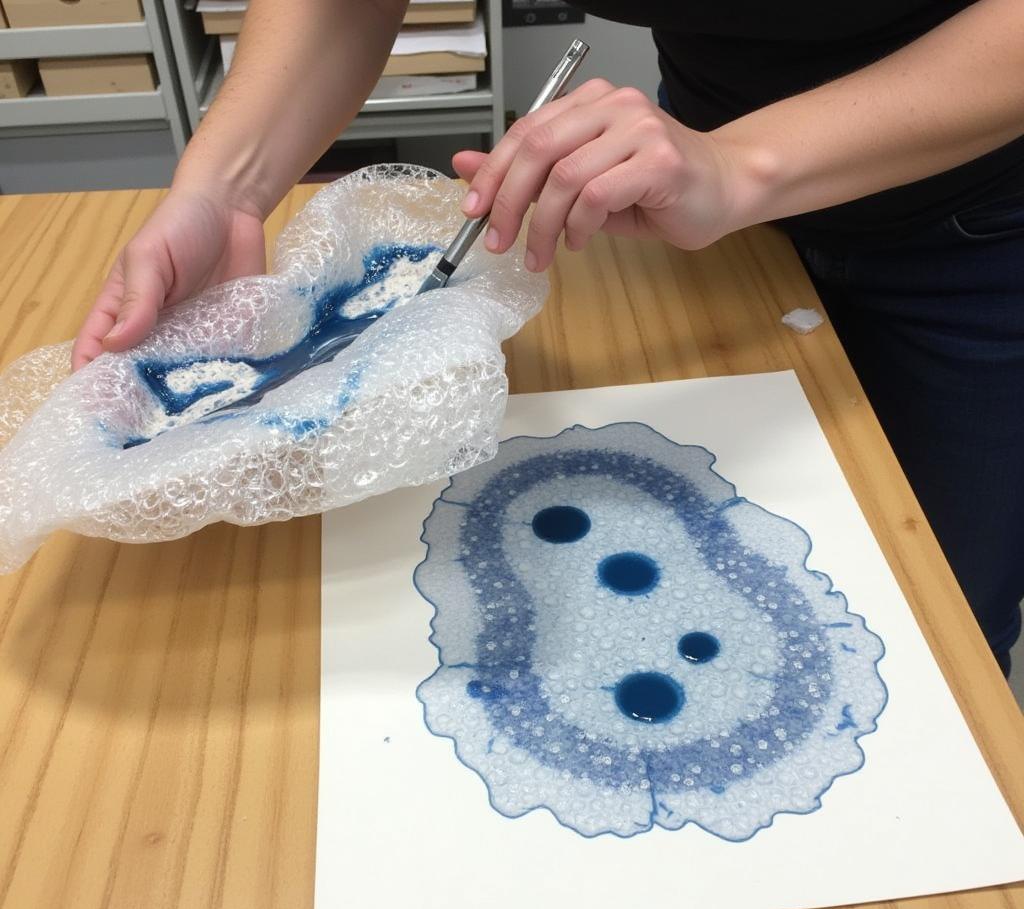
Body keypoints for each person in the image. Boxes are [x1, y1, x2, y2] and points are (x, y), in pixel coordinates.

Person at [73, 1, 1024, 675]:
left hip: (978, 213)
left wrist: (747, 165)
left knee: (930, 640)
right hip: (706, 204)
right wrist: (225, 188)